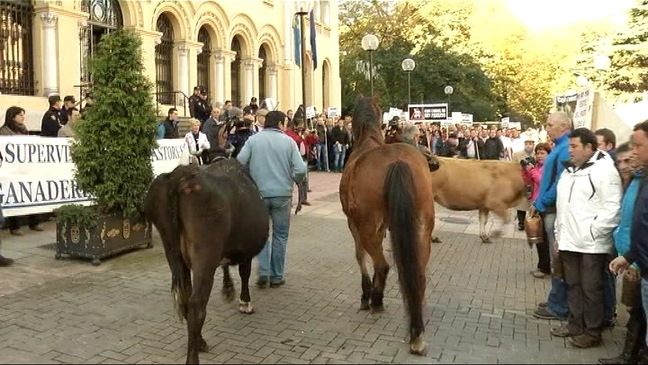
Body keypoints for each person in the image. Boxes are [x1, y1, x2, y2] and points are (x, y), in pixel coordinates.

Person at [549, 128, 621, 348]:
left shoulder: (605, 171)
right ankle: (575, 324)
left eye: (574, 146)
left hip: (592, 244)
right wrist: (559, 235)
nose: (569, 150)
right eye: (569, 146)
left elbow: (612, 207)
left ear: (589, 148)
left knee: (591, 288)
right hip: (570, 239)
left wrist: (594, 231)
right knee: (573, 285)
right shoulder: (570, 171)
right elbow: (564, 207)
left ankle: (592, 333)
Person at [236, 111, 307, 288]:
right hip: (282, 194)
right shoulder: (289, 142)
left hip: (258, 195)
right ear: (280, 124)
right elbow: (300, 169)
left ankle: (263, 272)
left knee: (262, 236)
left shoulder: (253, 140)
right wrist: (292, 179)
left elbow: (239, 162)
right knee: (280, 236)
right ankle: (276, 276)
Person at [599, 142, 646, 364]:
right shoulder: (632, 183)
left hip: (638, 258)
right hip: (630, 254)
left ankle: (630, 356)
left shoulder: (641, 183)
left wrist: (634, 257)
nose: (624, 166)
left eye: (628, 160)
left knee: (637, 310)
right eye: (620, 162)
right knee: (636, 309)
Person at [521, 142, 552, 278]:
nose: (539, 156)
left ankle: (545, 268)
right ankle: (542, 265)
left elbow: (542, 181)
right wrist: (525, 170)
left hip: (544, 206)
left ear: (548, 154)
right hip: (535, 204)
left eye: (542, 153)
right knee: (538, 238)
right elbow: (529, 181)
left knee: (543, 239)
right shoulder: (538, 167)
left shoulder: (548, 168)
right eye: (537, 153)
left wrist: (532, 171)